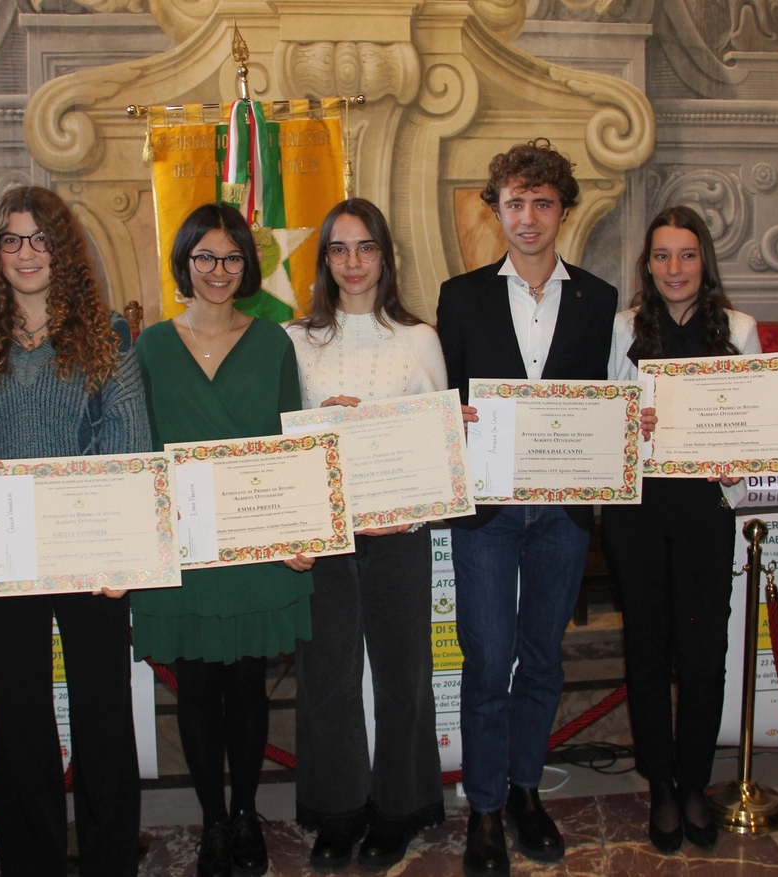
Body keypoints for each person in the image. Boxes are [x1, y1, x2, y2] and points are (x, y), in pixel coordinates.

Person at [436, 139, 647, 876]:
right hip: (487, 510)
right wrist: (450, 419)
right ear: (496, 208)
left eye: (543, 203)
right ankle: (485, 806)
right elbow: (447, 397)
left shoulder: (597, 298)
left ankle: (527, 790)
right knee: (488, 658)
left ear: (563, 209)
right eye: (515, 202)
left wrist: (629, 423)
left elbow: (605, 397)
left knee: (544, 657)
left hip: (562, 510)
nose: (528, 218)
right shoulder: (459, 297)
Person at [0, 185, 147, 876]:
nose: (27, 254)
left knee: (102, 711)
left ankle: (110, 855)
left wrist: (120, 546)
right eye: (12, 240)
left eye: (41, 240)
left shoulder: (105, 331)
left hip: (89, 546)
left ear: (64, 250)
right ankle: (33, 861)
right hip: (2, 545)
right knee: (19, 717)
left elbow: (128, 439)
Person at [132, 202, 315, 877]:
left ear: (249, 267)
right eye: (204, 257)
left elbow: (293, 438)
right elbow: (136, 446)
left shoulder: (275, 344)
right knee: (195, 688)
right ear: (184, 263)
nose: (217, 269)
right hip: (183, 548)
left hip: (256, 543)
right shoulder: (148, 346)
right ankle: (212, 820)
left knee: (247, 686)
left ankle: (245, 813)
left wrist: (303, 526)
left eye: (231, 257)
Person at [286, 198, 448, 871]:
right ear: (324, 258)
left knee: (403, 673)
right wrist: (319, 418)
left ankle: (400, 807)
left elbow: (443, 450)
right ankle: (337, 811)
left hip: (398, 533)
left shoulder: (419, 338)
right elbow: (281, 439)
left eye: (366, 248)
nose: (353, 263)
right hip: (325, 537)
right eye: (339, 249)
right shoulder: (296, 339)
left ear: (385, 255)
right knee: (327, 676)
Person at [604, 205, 759, 854]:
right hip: (637, 509)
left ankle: (695, 779)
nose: (675, 268)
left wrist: (741, 455)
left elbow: (755, 423)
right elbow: (606, 419)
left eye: (687, 255)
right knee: (646, 648)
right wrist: (626, 427)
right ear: (648, 264)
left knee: (703, 653)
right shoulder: (622, 329)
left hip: (705, 507)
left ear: (705, 261)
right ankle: (660, 784)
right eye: (662, 256)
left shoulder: (741, 329)